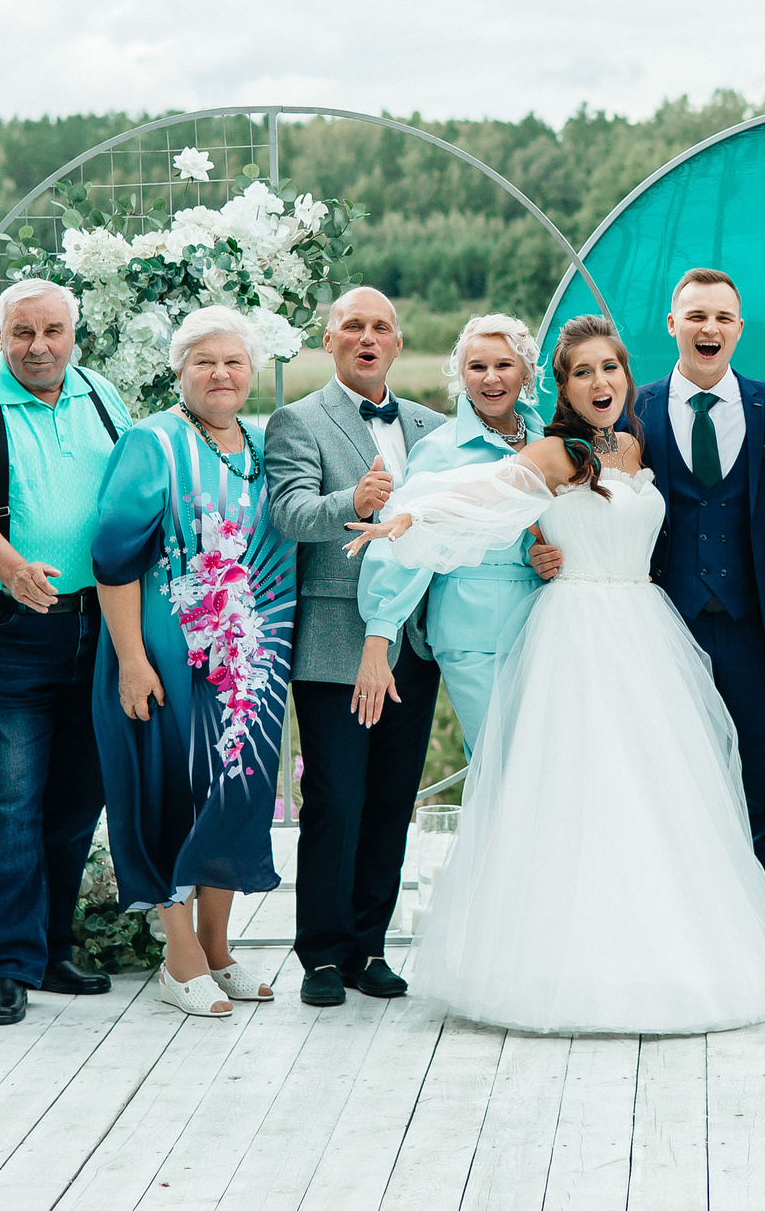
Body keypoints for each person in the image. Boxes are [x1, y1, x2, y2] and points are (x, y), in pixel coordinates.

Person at [343, 316, 765, 1034]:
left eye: (610, 369)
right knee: (573, 795)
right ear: (563, 385)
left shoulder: (637, 441)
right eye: (583, 371)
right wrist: (411, 516)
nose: (599, 383)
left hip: (645, 632)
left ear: (627, 377)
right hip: (574, 635)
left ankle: (663, 953)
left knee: (658, 794)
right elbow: (489, 490)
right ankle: (560, 961)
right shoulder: (558, 451)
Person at [0, 279, 133, 1025]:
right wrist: (13, 568)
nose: (39, 346)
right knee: (12, 793)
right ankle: (7, 963)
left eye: (52, 331)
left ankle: (49, 947)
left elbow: (136, 492)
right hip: (11, 623)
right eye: (23, 332)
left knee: (82, 792)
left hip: (101, 622)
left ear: (74, 333)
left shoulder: (103, 393)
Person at [94, 310, 294, 1017]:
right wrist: (129, 660)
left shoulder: (269, 443)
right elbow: (113, 559)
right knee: (165, 792)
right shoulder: (152, 443)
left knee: (235, 794)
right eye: (203, 361)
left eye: (235, 362)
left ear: (253, 371)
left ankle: (217, 943)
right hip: (164, 660)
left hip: (250, 668)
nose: (221, 374)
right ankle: (177, 953)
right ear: (178, 371)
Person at [266, 287, 447, 1008]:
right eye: (353, 326)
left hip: (416, 641)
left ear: (398, 342)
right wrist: (354, 504)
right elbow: (289, 513)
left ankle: (371, 944)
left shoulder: (435, 425)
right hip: (336, 640)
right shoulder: (297, 420)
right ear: (329, 339)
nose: (367, 337)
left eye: (381, 327)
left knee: (390, 797)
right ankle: (322, 953)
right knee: (335, 795)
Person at [633, 268, 765, 893]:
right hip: (664, 622)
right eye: (697, 316)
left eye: (723, 318)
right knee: (671, 767)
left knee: (761, 764)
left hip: (753, 618)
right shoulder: (632, 408)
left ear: (739, 329)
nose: (710, 328)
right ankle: (681, 905)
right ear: (673, 325)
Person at [356, 315, 563, 758]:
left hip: (546, 625)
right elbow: (406, 540)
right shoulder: (440, 448)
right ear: (461, 376)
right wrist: (380, 628)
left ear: (526, 372)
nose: (491, 378)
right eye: (477, 367)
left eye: (504, 365)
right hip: (472, 629)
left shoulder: (550, 439)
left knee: (545, 766)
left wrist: (549, 556)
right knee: (497, 764)